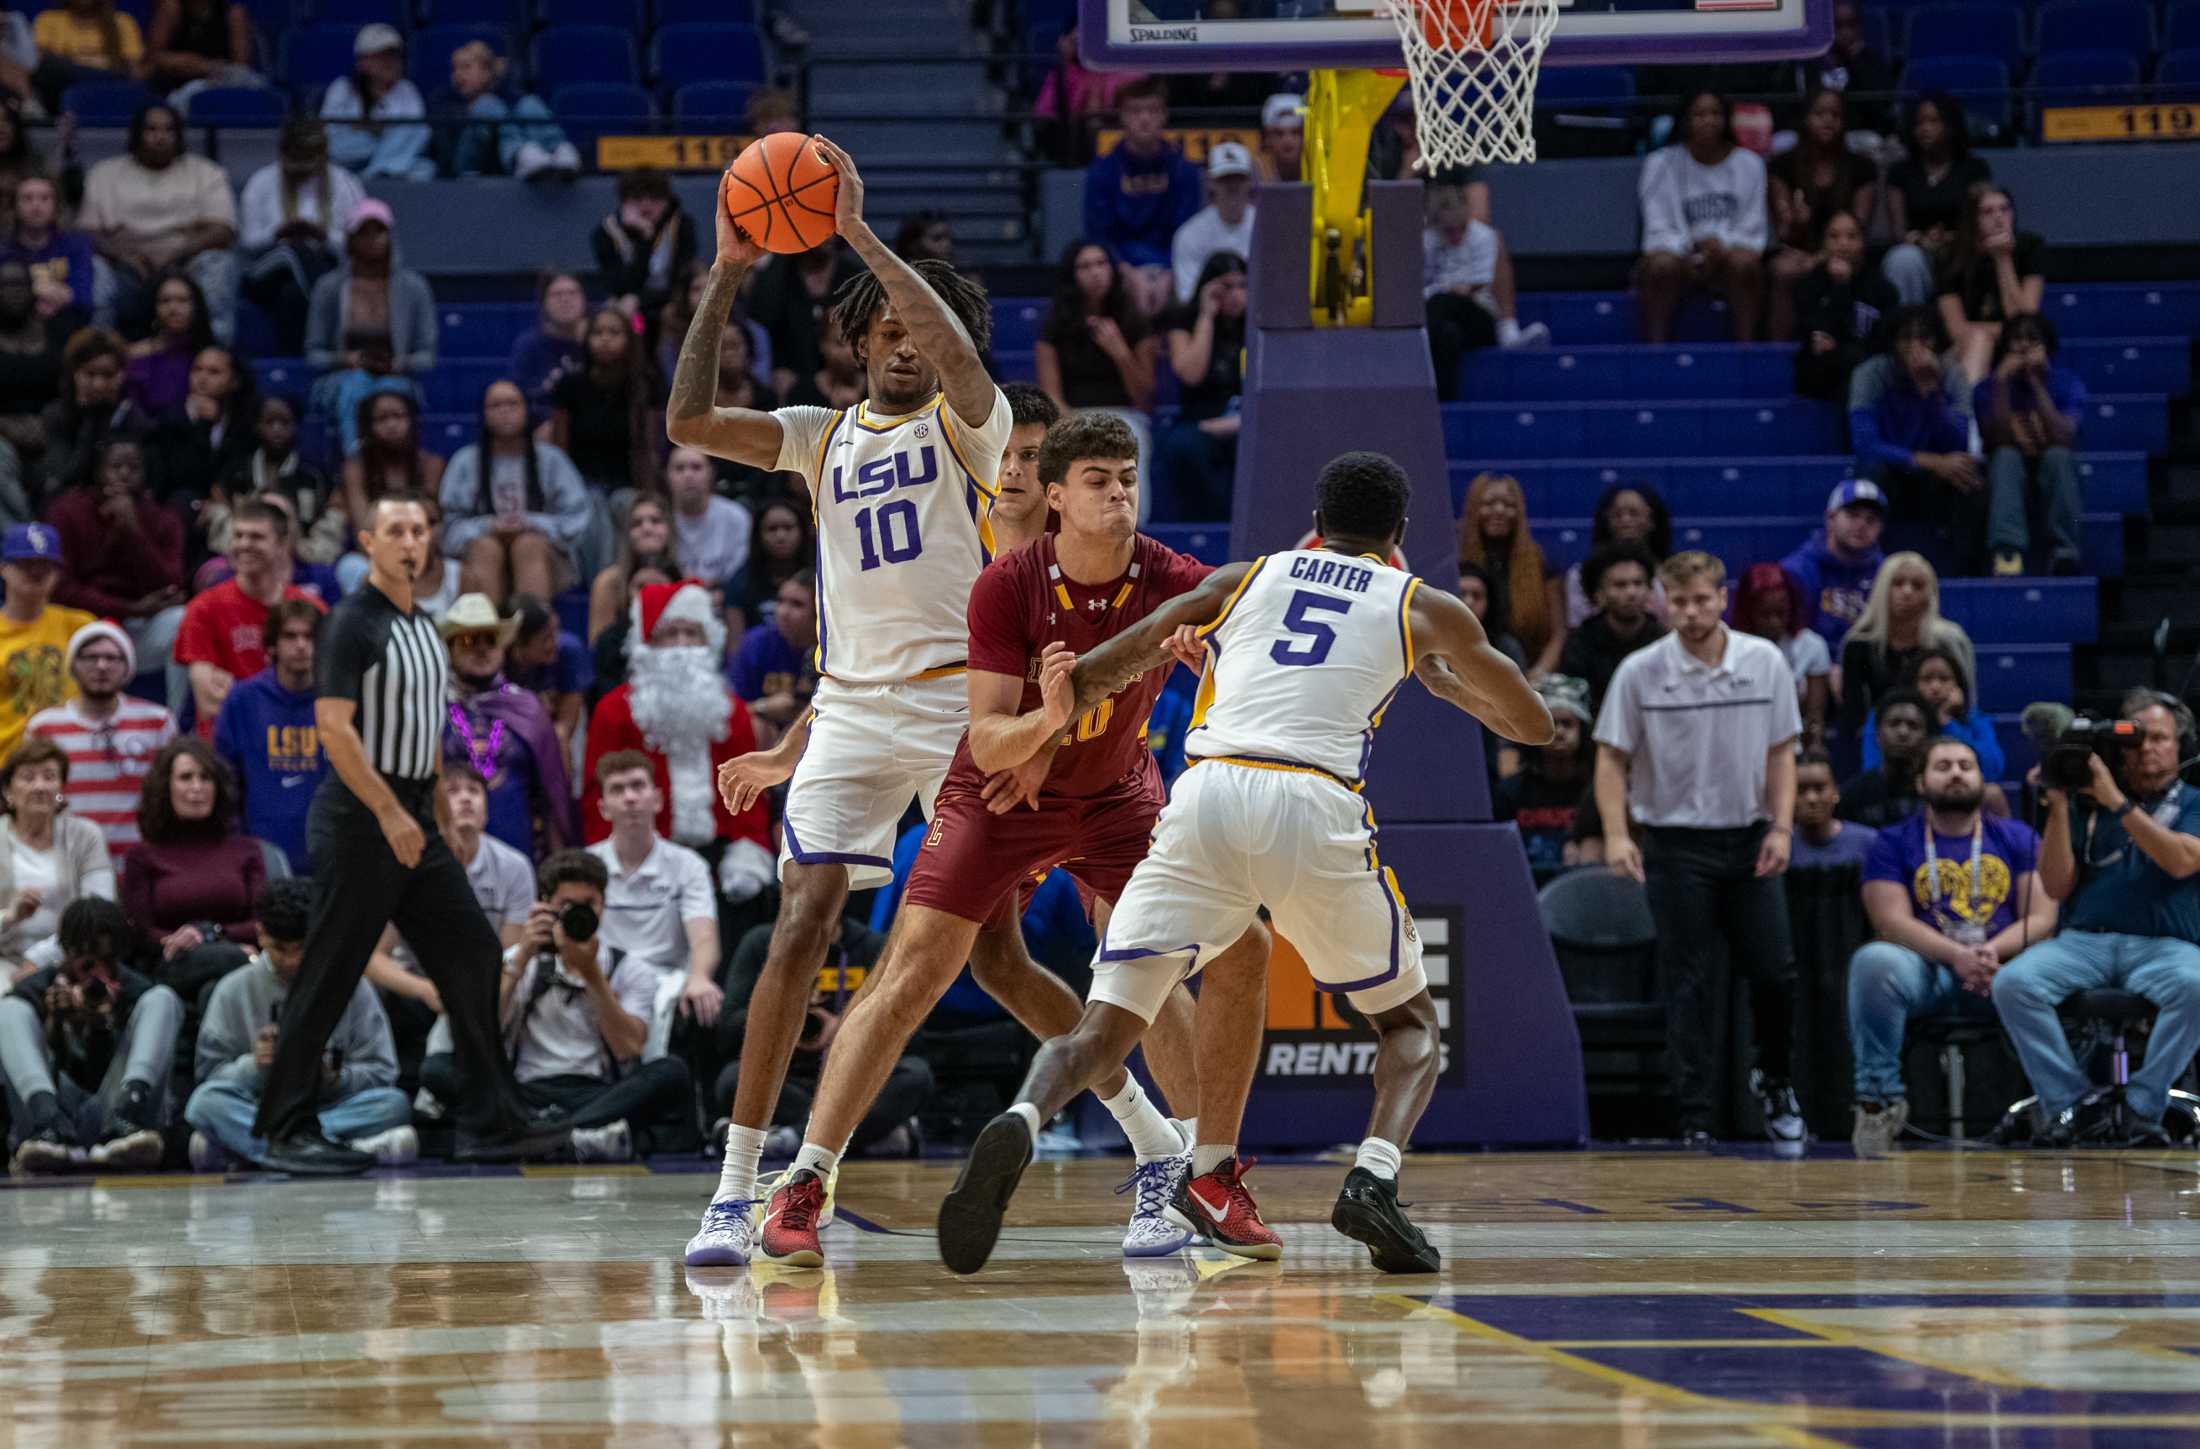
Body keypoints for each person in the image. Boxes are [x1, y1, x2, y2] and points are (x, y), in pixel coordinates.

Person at [672, 142, 1180, 1268]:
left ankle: (1155, 1144)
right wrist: (725, 269)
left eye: (922, 326)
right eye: (886, 327)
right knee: (801, 920)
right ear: (857, 340)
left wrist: (857, 233)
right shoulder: (817, 436)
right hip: (855, 712)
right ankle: (736, 1186)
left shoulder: (976, 425)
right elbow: (690, 423)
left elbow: (951, 355)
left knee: (992, 961)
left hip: (968, 709)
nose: (905, 341)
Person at [926, 449, 1552, 1275]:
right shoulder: (1421, 604)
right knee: (1407, 1026)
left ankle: (1024, 1117)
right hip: (1311, 799)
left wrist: (1051, 708)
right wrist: (1443, 683)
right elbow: (1533, 722)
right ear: (1399, 533)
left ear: (1317, 525)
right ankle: (1374, 1178)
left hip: (1207, 795)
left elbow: (1117, 661)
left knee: (1103, 1026)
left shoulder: (1241, 579)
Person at [751, 411, 1260, 1271]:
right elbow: (987, 741)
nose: (1121, 494)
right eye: (1100, 481)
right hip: (998, 791)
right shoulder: (1006, 584)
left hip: (1114, 795)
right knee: (916, 970)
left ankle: (1200, 1171)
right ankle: (805, 1178)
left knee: (1150, 961)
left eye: (1128, 478)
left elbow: (1245, 638)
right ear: (1056, 495)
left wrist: (1217, 662)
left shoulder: (1170, 576)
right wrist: (1050, 723)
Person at [251, 492, 561, 1174]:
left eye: (419, 529)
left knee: (476, 952)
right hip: (362, 814)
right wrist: (391, 810)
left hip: (416, 810)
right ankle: (284, 1124)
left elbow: (424, 731)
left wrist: (437, 817)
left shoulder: (424, 625)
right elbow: (332, 728)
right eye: (395, 529)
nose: (410, 540)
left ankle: (490, 1117)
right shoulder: (353, 624)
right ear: (368, 541)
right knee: (331, 967)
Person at [1595, 551, 1806, 1146]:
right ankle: (1695, 1116)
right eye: (1679, 601)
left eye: (1701, 600)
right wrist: (1616, 833)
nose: (1690, 612)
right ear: (1664, 603)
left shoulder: (1764, 662)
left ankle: (1775, 1080)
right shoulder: (1639, 671)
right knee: (1688, 982)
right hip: (1674, 842)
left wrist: (1782, 828)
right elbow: (1611, 756)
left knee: (1776, 973)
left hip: (1749, 839)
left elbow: (1782, 753)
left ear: (1722, 598)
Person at [1993, 691, 2200, 1149]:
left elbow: (2182, 861)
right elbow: (2056, 887)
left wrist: (2117, 802)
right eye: (2136, 740)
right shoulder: (2087, 805)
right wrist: (2062, 807)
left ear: (2180, 746)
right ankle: (2071, 1102)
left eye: (2160, 739)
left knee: (2198, 983)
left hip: (2165, 944)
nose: (2147, 748)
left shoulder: (2193, 802)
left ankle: (2146, 1105)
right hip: (2084, 942)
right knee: (2014, 983)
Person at [1848, 736, 2053, 1157]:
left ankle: (2055, 1104)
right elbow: (1890, 921)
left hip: (2003, 972)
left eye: (1966, 765)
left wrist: (1989, 952)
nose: (1957, 772)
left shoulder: (2018, 837)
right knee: (1873, 961)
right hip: (1929, 973)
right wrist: (1957, 956)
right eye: (1943, 766)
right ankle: (1878, 1103)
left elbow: (2042, 918)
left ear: (1982, 778)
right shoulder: (1892, 841)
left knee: (2046, 968)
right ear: (1921, 783)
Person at [421, 848, 694, 1162]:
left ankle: (542, 1136)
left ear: (603, 905)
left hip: (597, 1091)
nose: (579, 914)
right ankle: (573, 1136)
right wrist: (522, 955)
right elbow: (482, 1034)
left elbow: (629, 1048)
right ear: (546, 906)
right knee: (437, 1069)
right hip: (523, 1091)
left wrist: (592, 975)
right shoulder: (519, 960)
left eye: (589, 905)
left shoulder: (628, 968)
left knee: (671, 1072)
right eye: (567, 906)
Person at [183, 876, 414, 1171]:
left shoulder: (353, 986)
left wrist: (333, 1078)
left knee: (394, 1104)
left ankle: (259, 1150)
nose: (292, 960)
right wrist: (255, 1066)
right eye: (280, 948)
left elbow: (383, 1073)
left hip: (330, 1107)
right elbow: (208, 1077)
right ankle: (339, 1149)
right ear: (260, 934)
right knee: (205, 1103)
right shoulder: (232, 990)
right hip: (259, 1109)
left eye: (301, 948)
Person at [582, 580, 772, 890]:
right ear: (647, 645)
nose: (683, 645)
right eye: (670, 634)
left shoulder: (730, 710)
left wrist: (748, 849)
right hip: (642, 851)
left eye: (692, 633)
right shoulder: (614, 711)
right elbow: (597, 793)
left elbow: (748, 789)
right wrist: (610, 857)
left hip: (719, 856)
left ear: (707, 640)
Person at [362, 763, 530, 1075]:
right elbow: (372, 959)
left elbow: (512, 954)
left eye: (474, 791)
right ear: (436, 808)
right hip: (419, 992)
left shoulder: (514, 867)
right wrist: (426, 990)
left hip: (487, 990)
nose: (466, 799)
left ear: (488, 810)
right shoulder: (408, 861)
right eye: (453, 791)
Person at [1, 897, 180, 1173]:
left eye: (106, 960)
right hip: (55, 1113)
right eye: (87, 962)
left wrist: (105, 1021)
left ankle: (127, 1117)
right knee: (10, 1009)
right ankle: (46, 1124)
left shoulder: (134, 989)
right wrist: (54, 1023)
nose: (96, 972)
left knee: (163, 999)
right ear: (66, 952)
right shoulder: (40, 989)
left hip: (113, 1111)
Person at [78, 102, 237, 342]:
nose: (160, 137)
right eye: (151, 129)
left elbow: (222, 230)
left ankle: (214, 350)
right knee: (95, 268)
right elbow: (86, 232)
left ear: (179, 134)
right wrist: (123, 258)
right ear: (137, 134)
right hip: (124, 268)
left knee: (220, 263)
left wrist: (175, 254)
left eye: (168, 130)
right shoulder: (104, 173)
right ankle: (99, 351)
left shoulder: (206, 172)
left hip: (186, 267)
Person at [587, 750, 722, 1023]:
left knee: (706, 1004)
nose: (630, 797)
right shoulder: (587, 865)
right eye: (617, 789)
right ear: (603, 808)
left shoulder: (689, 865)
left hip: (670, 987)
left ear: (657, 800)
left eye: (638, 785)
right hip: (604, 983)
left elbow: (704, 934)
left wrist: (699, 976)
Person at [438, 592, 574, 859]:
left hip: (517, 847)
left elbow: (552, 793)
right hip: (446, 850)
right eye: (468, 640)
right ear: (450, 647)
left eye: (490, 639)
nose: (481, 649)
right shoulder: (432, 707)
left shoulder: (526, 707)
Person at [49, 436, 187, 698]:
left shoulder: (162, 517)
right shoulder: (68, 512)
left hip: (140, 627)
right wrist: (127, 608)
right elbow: (62, 589)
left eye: (133, 467)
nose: (124, 474)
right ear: (98, 470)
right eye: (116, 466)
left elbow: (171, 585)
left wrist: (133, 532)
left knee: (182, 620)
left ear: (145, 474)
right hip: (83, 623)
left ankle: (174, 727)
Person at [173, 497, 324, 735]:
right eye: (238, 535)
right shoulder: (204, 608)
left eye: (256, 537)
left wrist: (236, 689)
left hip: (292, 746)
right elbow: (209, 702)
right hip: (227, 749)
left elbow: (322, 690)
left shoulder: (311, 609)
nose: (244, 544)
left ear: (282, 544)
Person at [25, 620, 174, 858]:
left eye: (112, 658)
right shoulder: (44, 727)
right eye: (90, 657)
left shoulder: (158, 721)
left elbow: (168, 796)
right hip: (69, 862)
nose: (102, 666)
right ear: (72, 666)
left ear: (128, 668)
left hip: (140, 863)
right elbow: (32, 800)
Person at [440, 379, 592, 607]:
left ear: (526, 409)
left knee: (527, 545)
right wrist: (490, 526)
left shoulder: (552, 460)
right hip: (481, 555)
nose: (505, 411)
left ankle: (533, 634)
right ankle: (487, 635)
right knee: (486, 547)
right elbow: (448, 528)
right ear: (483, 414)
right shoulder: (465, 462)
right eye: (496, 406)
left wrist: (529, 523)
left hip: (545, 557)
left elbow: (577, 519)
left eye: (512, 404)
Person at [1849, 306, 1981, 568]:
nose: (1916, 346)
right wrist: (1926, 460)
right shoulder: (1870, 374)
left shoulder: (1951, 373)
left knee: (1969, 476)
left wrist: (1931, 393)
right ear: (1892, 342)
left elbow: (1959, 442)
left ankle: (1965, 571)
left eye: (1924, 338)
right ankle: (1867, 565)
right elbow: (1864, 444)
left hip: (1937, 480)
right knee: (1871, 473)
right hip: (1894, 472)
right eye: (1906, 338)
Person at [304, 201, 437, 453]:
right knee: (356, 386)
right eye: (363, 233)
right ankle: (357, 467)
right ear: (350, 239)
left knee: (391, 395)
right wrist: (346, 359)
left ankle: (396, 475)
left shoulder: (414, 288)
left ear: (390, 236)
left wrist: (399, 364)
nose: (371, 239)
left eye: (378, 231)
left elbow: (427, 355)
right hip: (339, 379)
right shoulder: (328, 288)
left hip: (397, 377)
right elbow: (313, 353)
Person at [1637, 91, 1766, 343]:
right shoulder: (1660, 163)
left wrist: (1720, 245)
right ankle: (1655, 351)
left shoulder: (1750, 164)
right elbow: (1657, 227)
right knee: (1660, 265)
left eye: (1715, 113)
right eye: (1699, 114)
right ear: (1685, 120)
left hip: (1728, 255)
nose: (1708, 120)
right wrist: (1691, 248)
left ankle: (1747, 351)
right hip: (1678, 255)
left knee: (1745, 264)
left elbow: (1752, 226)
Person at [209, 598, 324, 875]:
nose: (300, 645)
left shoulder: (339, 700)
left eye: (309, 637)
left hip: (328, 855)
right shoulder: (243, 699)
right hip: (259, 857)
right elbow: (224, 780)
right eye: (290, 636)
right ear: (272, 644)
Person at [236, 117, 366, 357]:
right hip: (266, 273)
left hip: (323, 268)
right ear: (283, 153)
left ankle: (297, 362)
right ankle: (332, 323)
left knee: (292, 296)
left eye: (310, 158)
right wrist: (278, 232)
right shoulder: (261, 182)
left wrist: (323, 236)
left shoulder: (346, 184)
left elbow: (357, 243)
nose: (303, 166)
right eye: (297, 157)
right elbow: (248, 242)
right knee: (291, 252)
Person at [1036, 240, 1155, 481]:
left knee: (1129, 438)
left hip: (1125, 414)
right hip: (1072, 414)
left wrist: (1120, 352)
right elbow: (1053, 397)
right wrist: (1079, 424)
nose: (1095, 272)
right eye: (1085, 266)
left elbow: (1143, 397)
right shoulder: (1054, 326)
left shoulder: (1135, 322)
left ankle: (1131, 519)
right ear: (1072, 275)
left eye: (1101, 264)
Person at [1976, 312, 2084, 577]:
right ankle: (2007, 552)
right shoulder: (1986, 387)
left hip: (2051, 464)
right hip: (2006, 473)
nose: (2023, 346)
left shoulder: (2067, 383)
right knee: (2005, 456)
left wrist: (2037, 383)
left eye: (2032, 339)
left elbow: (2064, 437)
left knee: (2058, 456)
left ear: (2047, 347)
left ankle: (2064, 551)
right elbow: (1995, 438)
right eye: (2016, 339)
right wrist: (2001, 382)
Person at [1081, 78, 1200, 316]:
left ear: (1164, 116)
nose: (1144, 119)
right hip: (1122, 271)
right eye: (1135, 111)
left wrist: (1170, 272)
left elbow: (1188, 231)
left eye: (1152, 111)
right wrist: (1127, 272)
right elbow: (1100, 235)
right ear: (1122, 117)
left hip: (1174, 269)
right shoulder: (1102, 171)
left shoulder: (1185, 170)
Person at [1765, 88, 1876, 342]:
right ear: (1805, 118)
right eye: (1820, 113)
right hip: (1798, 251)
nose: (1828, 120)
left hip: (1846, 249)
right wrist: (1796, 222)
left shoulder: (1862, 167)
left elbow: (1859, 230)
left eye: (1835, 114)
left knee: (1842, 265)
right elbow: (1783, 231)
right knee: (1783, 270)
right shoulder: (1783, 164)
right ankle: (1781, 352)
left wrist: (1820, 258)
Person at [0, 737, 115, 980]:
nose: (40, 786)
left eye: (50, 777)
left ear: (61, 788)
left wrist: (39, 959)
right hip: (4, 961)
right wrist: (10, 916)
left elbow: (100, 912)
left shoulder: (86, 836)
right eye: (28, 777)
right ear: (8, 791)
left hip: (73, 960)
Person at [1422, 181, 1546, 400]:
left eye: (1461, 229)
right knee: (1447, 335)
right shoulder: (1428, 240)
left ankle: (1507, 332)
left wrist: (1452, 290)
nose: (1456, 236)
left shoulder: (1484, 236)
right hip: (1441, 316)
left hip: (1478, 313)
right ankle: (1444, 405)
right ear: (1438, 225)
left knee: (1442, 303)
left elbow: (1479, 282)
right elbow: (1422, 284)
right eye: (1449, 231)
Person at [1837, 551, 1976, 743]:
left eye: (1917, 586)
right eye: (1898, 583)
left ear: (1930, 594)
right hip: (1880, 747)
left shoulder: (1950, 641)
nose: (1907, 591)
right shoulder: (1858, 645)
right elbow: (1854, 718)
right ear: (1882, 589)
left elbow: (1968, 707)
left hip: (1942, 740)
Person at [1157, 250, 1246, 522]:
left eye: (1243, 286)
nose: (1236, 295)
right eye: (1226, 287)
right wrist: (1206, 317)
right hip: (1200, 417)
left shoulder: (1259, 326)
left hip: (1248, 418)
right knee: (1184, 447)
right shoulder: (1184, 321)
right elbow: (1191, 374)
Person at [1881, 92, 1992, 307]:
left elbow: (1982, 220)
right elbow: (1898, 232)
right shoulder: (1900, 172)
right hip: (1918, 251)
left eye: (1933, 121)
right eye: (1919, 122)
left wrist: (1951, 239)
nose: (1925, 129)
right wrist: (1923, 241)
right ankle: (1910, 328)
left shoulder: (1974, 169)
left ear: (1950, 126)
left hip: (1963, 249)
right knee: (1903, 259)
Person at [0, 523, 94, 759]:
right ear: (3, 568)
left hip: (71, 760)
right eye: (25, 564)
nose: (36, 573)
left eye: (45, 565)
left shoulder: (81, 626)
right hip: (6, 764)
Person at [1458, 471, 1563, 677]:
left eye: (1509, 505)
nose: (1499, 510)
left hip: (1529, 673)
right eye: (1489, 504)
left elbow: (1558, 635)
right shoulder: (1453, 559)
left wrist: (1537, 674)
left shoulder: (1541, 562)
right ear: (1473, 509)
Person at [1495, 677, 1601, 880]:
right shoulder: (1510, 791)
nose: (1559, 732)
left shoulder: (1596, 791)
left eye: (1567, 724)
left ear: (1583, 731)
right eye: (1552, 723)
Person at [550, 305, 662, 498]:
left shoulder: (645, 386)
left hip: (630, 487)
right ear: (587, 339)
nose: (605, 339)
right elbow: (560, 451)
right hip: (581, 487)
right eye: (598, 332)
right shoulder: (569, 386)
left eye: (614, 332)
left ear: (629, 339)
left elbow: (650, 449)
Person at [1938, 188, 2045, 386]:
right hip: (1961, 350)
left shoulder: (2030, 248)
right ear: (1973, 220)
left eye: (2005, 209)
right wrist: (2000, 330)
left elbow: (2024, 324)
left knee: (2025, 350)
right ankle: (1967, 414)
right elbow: (1957, 330)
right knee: (1979, 340)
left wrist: (2002, 259)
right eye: (1987, 212)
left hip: (2015, 349)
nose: (1998, 217)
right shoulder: (1951, 257)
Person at [432, 39, 578, 182]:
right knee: (489, 104)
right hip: (465, 166)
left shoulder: (506, 96)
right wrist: (473, 112)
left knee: (529, 103)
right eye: (454, 68)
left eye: (466, 67)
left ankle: (560, 153)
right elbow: (446, 149)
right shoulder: (445, 99)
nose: (458, 74)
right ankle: (520, 156)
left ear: (487, 72)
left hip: (501, 163)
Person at [34, 324, 150, 499]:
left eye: (107, 375)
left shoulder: (132, 417)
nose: (98, 385)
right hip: (72, 502)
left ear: (121, 375)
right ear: (74, 373)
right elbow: (63, 477)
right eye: (90, 374)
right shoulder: (56, 414)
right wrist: (90, 418)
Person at [1791, 210, 1896, 403]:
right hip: (1822, 374)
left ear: (1863, 242)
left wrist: (1840, 350)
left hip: (1864, 368)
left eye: (1852, 236)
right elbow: (1817, 337)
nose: (1843, 244)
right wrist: (1841, 287)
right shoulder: (1809, 285)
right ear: (1823, 243)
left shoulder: (1882, 288)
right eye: (1834, 236)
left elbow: (1884, 342)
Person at [223, 395, 340, 565]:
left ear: (297, 426)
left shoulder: (314, 474)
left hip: (303, 555)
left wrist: (305, 551)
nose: (277, 429)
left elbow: (329, 520)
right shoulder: (237, 472)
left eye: (285, 423)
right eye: (269, 422)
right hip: (246, 552)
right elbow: (222, 510)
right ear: (256, 426)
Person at [1861, 644, 2002, 784]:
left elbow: (1992, 770)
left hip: (1952, 792)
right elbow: (1873, 768)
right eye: (1927, 679)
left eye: (1944, 679)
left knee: (1992, 793)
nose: (1936, 687)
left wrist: (1947, 722)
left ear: (1958, 685)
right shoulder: (1885, 715)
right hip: (1896, 790)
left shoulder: (1975, 720)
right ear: (1912, 683)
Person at [152, 343, 256, 532]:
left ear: (235, 381)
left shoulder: (244, 424)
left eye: (214, 372)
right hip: (179, 504)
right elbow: (176, 477)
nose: (202, 378)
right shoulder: (169, 420)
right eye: (197, 370)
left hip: (226, 504)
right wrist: (201, 427)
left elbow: (237, 473)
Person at [1781, 478, 1886, 664]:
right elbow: (1792, 637)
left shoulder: (1887, 572)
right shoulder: (1797, 570)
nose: (1862, 525)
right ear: (1830, 517)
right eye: (1853, 515)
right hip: (1812, 668)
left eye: (1871, 519)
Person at [1558, 542, 1666, 718]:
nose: (1631, 592)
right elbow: (1575, 707)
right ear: (1599, 593)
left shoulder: (1664, 641)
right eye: (1620, 585)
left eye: (1638, 583)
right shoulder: (1580, 643)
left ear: (1649, 589)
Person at [1733, 562, 1830, 747]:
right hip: (1742, 744)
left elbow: (1814, 719)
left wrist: (1815, 746)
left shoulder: (1812, 646)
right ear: (1748, 612)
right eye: (1765, 614)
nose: (1774, 622)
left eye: (1781, 613)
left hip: (1793, 745)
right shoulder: (1731, 647)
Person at [319, 24, 432, 182]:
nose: (391, 62)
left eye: (394, 56)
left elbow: (414, 137)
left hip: (391, 160)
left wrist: (379, 131)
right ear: (362, 61)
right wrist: (375, 133)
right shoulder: (342, 88)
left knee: (424, 166)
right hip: (350, 157)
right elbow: (331, 138)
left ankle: (374, 174)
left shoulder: (406, 90)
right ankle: (379, 172)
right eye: (382, 56)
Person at [338, 389, 442, 553]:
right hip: (374, 550)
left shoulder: (431, 464)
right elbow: (363, 527)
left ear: (412, 421)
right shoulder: (356, 468)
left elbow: (432, 517)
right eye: (382, 419)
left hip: (422, 550)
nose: (391, 425)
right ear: (368, 426)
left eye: (399, 416)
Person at [592, 167, 696, 322]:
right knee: (620, 315)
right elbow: (620, 287)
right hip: (628, 308)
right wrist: (645, 239)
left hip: (669, 303)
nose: (646, 205)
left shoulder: (681, 226)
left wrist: (641, 300)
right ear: (623, 201)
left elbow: (681, 282)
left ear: (667, 201)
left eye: (655, 198)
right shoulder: (605, 233)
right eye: (637, 198)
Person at [727, 571, 817, 742]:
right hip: (768, 736)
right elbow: (731, 712)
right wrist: (763, 707)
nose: (783, 611)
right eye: (780, 601)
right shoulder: (756, 644)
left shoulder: (834, 649)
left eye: (797, 605)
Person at [1031, 23, 1135, 165]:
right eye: (1075, 40)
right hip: (1074, 138)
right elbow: (1043, 113)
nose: (1081, 41)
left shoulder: (1118, 69)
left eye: (1085, 37)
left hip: (1117, 131)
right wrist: (1063, 62)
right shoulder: (1063, 73)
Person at [1171, 141, 1255, 307]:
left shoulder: (1267, 228)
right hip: (1209, 316)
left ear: (1250, 182)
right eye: (1225, 179)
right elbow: (1187, 296)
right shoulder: (1189, 234)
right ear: (1211, 183)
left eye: (1238, 178)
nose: (1232, 186)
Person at [1836, 687, 1932, 831]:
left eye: (1913, 725)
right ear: (1877, 735)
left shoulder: (1936, 792)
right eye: (1894, 723)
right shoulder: (1852, 796)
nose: (1903, 732)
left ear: (1926, 736)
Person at [503, 594, 589, 753]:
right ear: (519, 642)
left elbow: (566, 725)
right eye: (546, 638)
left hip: (555, 740)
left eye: (556, 632)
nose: (555, 643)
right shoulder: (498, 662)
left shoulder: (568, 651)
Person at [120, 271, 211, 417]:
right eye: (165, 301)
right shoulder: (134, 355)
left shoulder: (210, 357)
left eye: (182, 300)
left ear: (196, 306)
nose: (173, 309)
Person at [3, 172, 94, 317]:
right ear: (14, 208)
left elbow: (83, 298)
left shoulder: (76, 246)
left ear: (56, 207)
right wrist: (41, 292)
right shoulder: (3, 250)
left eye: (45, 198)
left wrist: (32, 291)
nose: (36, 205)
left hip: (67, 324)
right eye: (27, 198)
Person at [28, 0, 143, 113]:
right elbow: (41, 61)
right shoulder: (48, 19)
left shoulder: (122, 22)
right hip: (61, 86)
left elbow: (132, 68)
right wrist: (102, 63)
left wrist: (74, 62)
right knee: (50, 66)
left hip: (110, 86)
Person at [588, 489, 672, 642]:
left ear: (670, 529)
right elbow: (599, 651)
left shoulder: (686, 578)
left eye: (655, 521)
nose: (647, 529)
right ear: (627, 534)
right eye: (636, 523)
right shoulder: (609, 582)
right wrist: (636, 607)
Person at [662, 446, 749, 591]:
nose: (688, 475)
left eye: (696, 467)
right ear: (667, 476)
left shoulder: (736, 517)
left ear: (711, 473)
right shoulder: (658, 519)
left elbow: (739, 573)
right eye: (679, 468)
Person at [723, 497, 811, 638]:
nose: (780, 536)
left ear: (802, 532)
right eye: (772, 529)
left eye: (788, 528)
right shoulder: (741, 583)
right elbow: (735, 647)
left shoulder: (820, 577)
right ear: (759, 535)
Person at [988, 382, 1060, 554]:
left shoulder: (1082, 537)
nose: (1013, 469)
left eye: (1029, 455)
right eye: (1000, 454)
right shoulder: (956, 535)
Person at [509, 270, 587, 418]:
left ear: (584, 299)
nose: (565, 300)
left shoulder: (597, 340)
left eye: (573, 293)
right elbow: (516, 397)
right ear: (543, 302)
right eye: (557, 294)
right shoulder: (528, 346)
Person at [144, 0, 255, 102]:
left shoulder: (234, 14)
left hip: (224, 84)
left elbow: (241, 67)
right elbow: (153, 59)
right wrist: (205, 67)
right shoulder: (171, 8)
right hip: (177, 89)